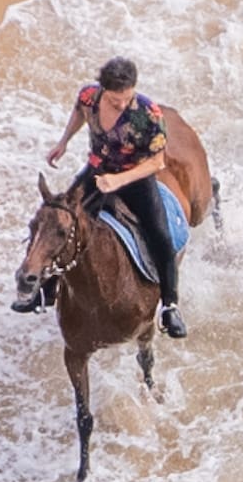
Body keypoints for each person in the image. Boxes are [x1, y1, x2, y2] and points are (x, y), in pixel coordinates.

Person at [15, 55, 188, 337]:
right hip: (97, 173)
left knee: (160, 235)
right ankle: (45, 290)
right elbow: (79, 113)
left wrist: (118, 180)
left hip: (136, 179)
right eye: (114, 100)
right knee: (59, 224)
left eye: (126, 99)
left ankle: (170, 306)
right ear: (102, 90)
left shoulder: (149, 115)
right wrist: (63, 141)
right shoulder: (89, 97)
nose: (121, 105)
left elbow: (157, 163)